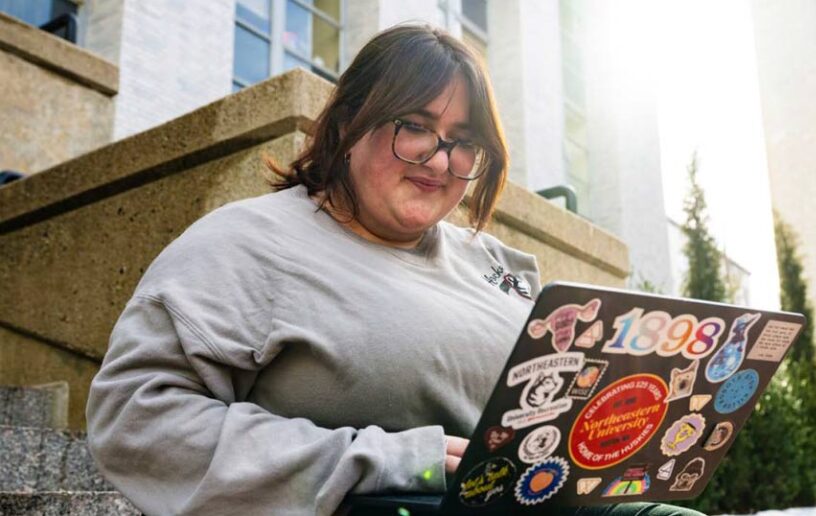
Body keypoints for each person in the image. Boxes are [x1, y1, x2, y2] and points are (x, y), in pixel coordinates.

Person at [86, 24, 705, 516]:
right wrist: (386, 459)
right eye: (416, 127)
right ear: (350, 121)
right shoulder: (245, 242)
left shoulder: (493, 264)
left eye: (464, 141)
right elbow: (136, 419)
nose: (441, 160)